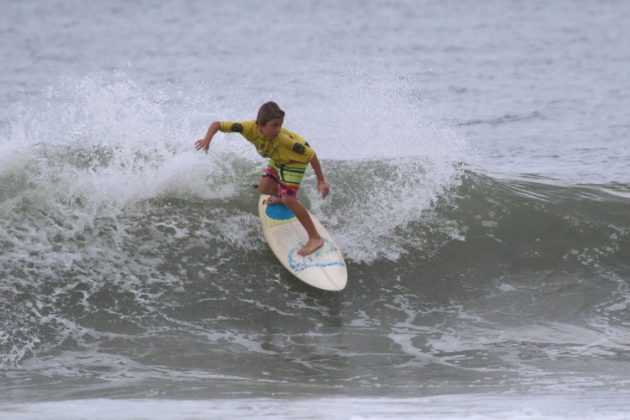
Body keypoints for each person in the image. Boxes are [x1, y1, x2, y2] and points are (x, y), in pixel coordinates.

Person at [195, 101, 329, 256]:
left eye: (280, 125)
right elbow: (217, 124)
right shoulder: (247, 128)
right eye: (274, 125)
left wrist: (321, 181)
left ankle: (315, 238)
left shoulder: (284, 140)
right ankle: (282, 196)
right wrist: (207, 140)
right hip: (277, 159)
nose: (278, 129)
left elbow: (311, 154)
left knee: (288, 200)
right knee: (264, 189)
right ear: (260, 125)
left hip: (294, 161)